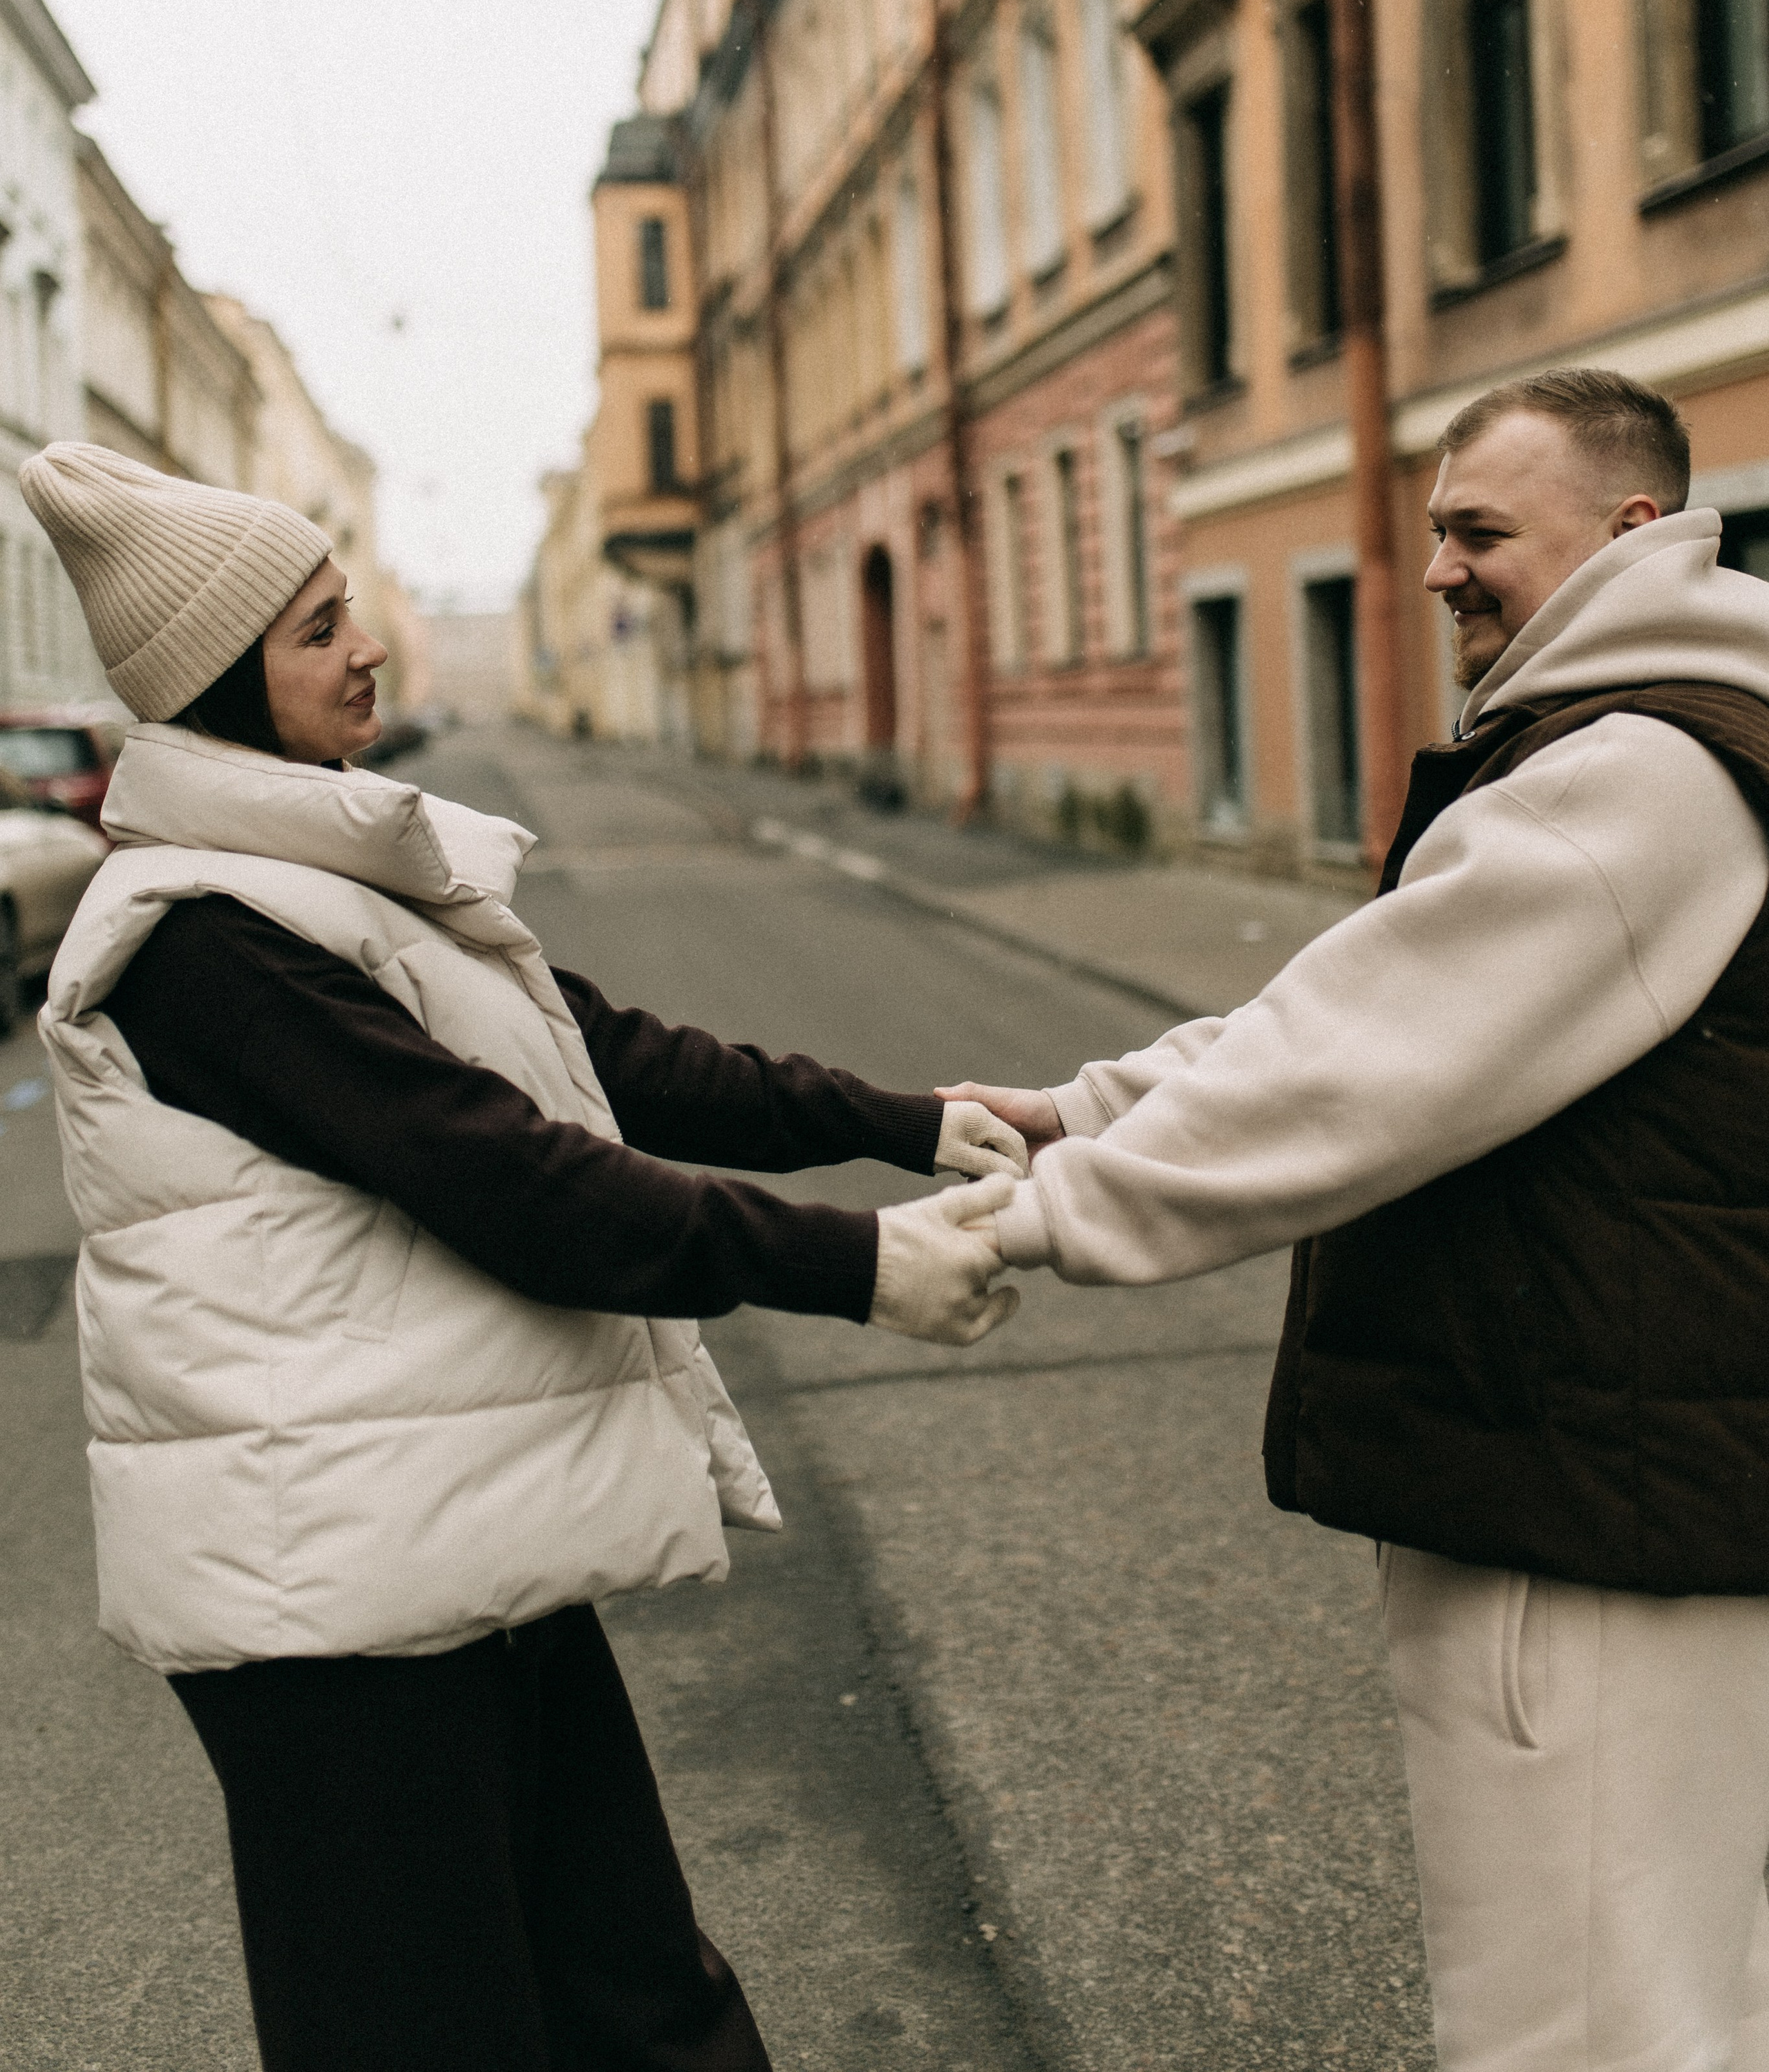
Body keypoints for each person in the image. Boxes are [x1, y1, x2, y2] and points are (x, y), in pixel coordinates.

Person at [21, 440, 1025, 2072]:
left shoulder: (320, 876)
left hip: (436, 1527)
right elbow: (511, 1179)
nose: (370, 650)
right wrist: (858, 1263)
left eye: (354, 611)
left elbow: (603, 1052)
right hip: (326, 1595)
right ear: (220, 684)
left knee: (639, 1996)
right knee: (433, 2029)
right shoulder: (202, 936)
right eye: (320, 627)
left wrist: (909, 1117)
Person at [943, 368, 1769, 2072]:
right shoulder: (1673, 732)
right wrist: (1091, 1104)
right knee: (1682, 1972)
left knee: (1585, 2009)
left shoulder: (1622, 775)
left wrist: (1042, 1218)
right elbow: (1346, 1007)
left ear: (1629, 532)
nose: (1442, 568)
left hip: (1582, 1480)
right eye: (1435, 529)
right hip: (1656, 1452)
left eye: (1478, 531)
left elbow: (1348, 1071)